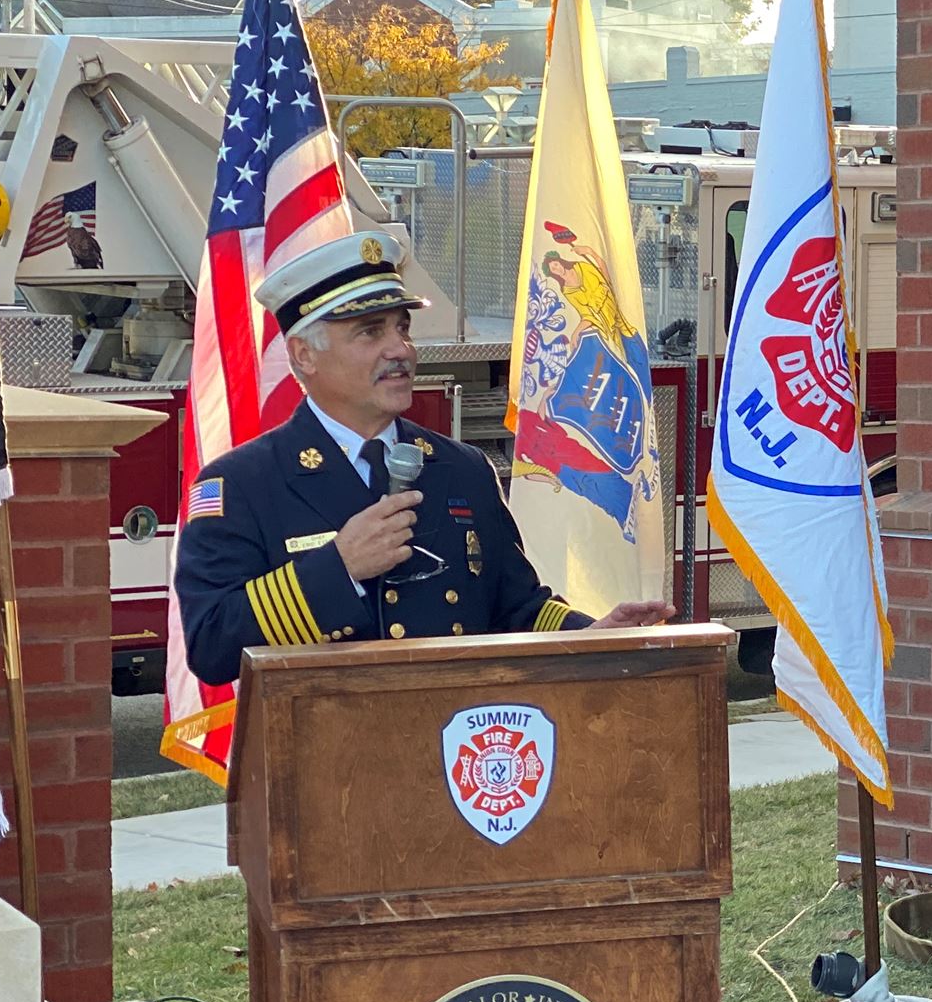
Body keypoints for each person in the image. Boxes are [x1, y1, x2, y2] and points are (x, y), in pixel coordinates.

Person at [176, 231, 668, 685]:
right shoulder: (242, 484)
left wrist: (591, 634)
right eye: (370, 333)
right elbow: (212, 645)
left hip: (459, 756)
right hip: (329, 762)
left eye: (402, 328)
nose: (401, 350)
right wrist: (340, 567)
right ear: (304, 355)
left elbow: (516, 606)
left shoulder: (462, 470)